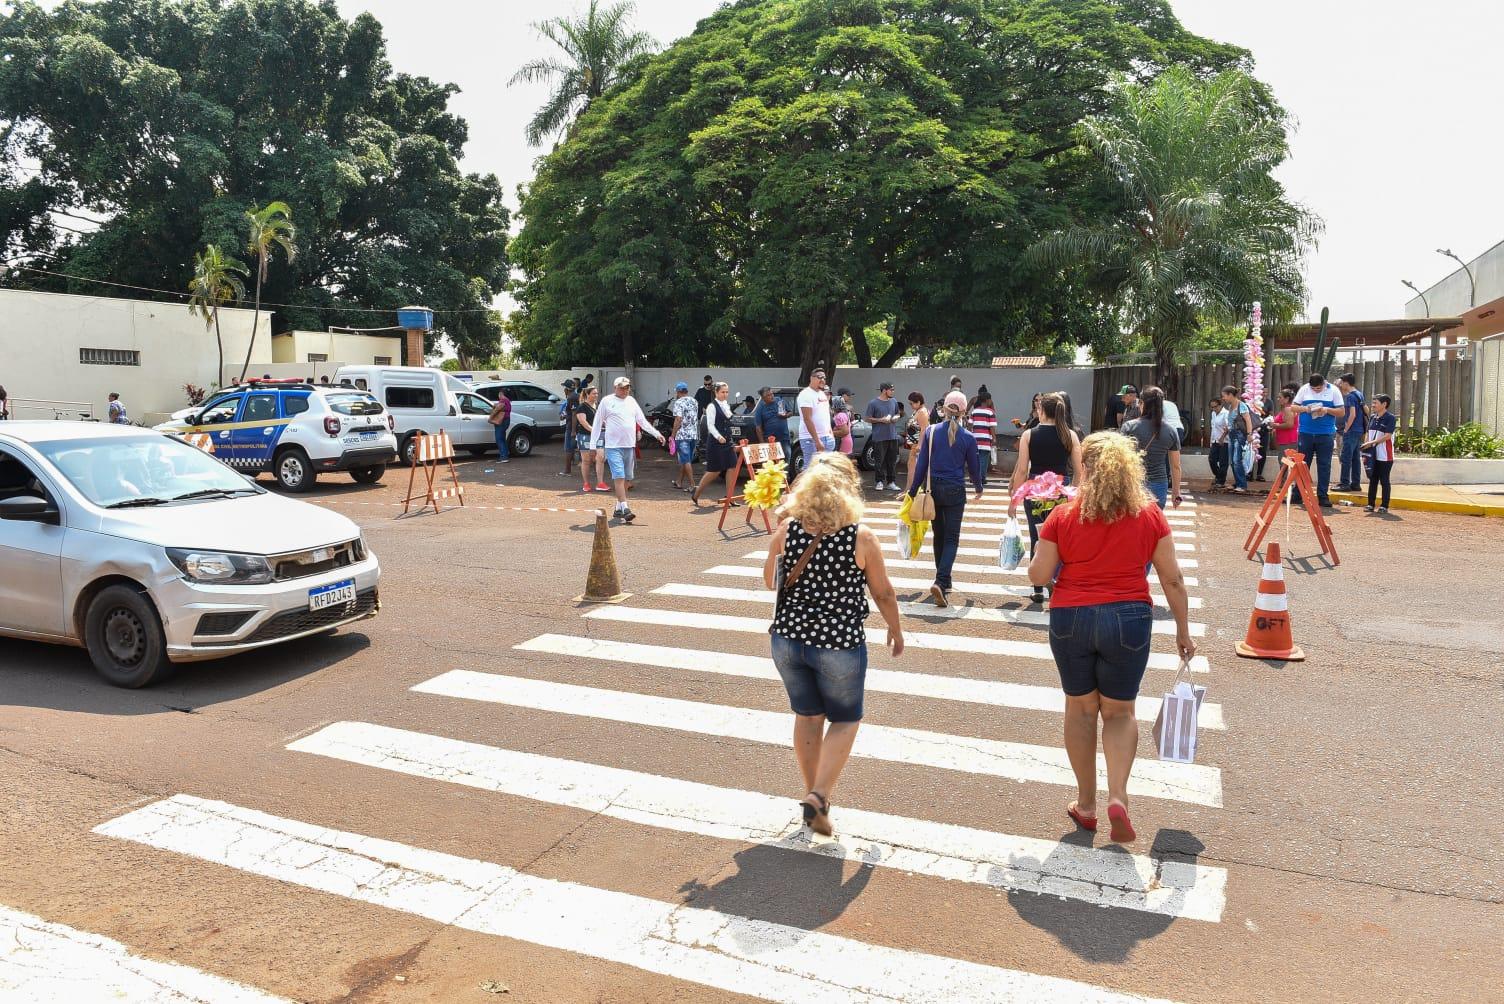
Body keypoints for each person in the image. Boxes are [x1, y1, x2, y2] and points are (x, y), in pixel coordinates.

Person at [1028, 432, 1196, 843]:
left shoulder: (1063, 516)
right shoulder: (1150, 514)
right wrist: (1183, 630)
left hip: (1070, 618)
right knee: (1120, 713)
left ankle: (1086, 804)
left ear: (1086, 467)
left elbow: (1037, 576)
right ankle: (1118, 796)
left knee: (1081, 710)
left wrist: (1041, 542)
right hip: (1129, 617)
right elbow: (1171, 578)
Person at [763, 452, 904, 836]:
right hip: (838, 643)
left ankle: (814, 795)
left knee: (807, 716)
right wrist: (895, 629)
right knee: (845, 718)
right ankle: (820, 796)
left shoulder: (788, 529)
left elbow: (769, 581)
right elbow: (884, 593)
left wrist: (778, 539)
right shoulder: (860, 536)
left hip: (789, 640)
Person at [908, 390, 985, 607]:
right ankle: (941, 581)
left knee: (939, 535)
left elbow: (922, 464)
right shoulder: (968, 437)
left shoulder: (931, 432)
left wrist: (912, 491)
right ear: (963, 412)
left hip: (933, 489)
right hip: (955, 491)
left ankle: (944, 579)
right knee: (951, 538)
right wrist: (979, 487)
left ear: (943, 409)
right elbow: (974, 466)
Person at [1007, 392, 1083, 604]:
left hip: (1034, 490)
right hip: (1060, 489)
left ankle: (1038, 587)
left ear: (1041, 410)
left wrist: (1013, 500)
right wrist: (1073, 492)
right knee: (1060, 538)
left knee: (1037, 537)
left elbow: (1022, 470)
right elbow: (1079, 470)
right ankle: (1057, 581)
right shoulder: (1070, 435)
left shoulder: (1029, 435)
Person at [590, 376, 665, 523]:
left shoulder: (631, 401)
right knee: (619, 476)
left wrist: (657, 434)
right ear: (615, 388)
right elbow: (598, 423)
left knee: (626, 479)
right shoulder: (607, 401)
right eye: (622, 387)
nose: (625, 390)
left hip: (629, 446)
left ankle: (618, 507)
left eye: (627, 387)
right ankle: (625, 508)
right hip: (613, 447)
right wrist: (593, 446)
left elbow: (642, 421)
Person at [1121, 386, 1183, 507]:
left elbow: (1120, 458)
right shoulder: (1171, 431)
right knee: (1154, 521)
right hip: (1159, 484)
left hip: (1133, 483)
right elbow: (1176, 466)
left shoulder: (1129, 427)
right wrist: (1176, 492)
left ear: (1142, 403)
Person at [1293, 374, 1344, 508]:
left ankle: (1322, 496)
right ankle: (1297, 494)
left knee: (1324, 466)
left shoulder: (1333, 390)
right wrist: (1306, 409)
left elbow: (1341, 412)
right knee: (1302, 465)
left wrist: (1326, 410)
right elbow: (1293, 407)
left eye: (1318, 388)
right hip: (1306, 433)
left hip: (1325, 434)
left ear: (1324, 384)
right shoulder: (1304, 389)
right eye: (1313, 388)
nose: (1315, 390)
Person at [692, 381, 736, 506]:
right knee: (714, 471)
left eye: (727, 392)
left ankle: (730, 497)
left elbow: (728, 418)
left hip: (728, 440)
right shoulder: (712, 406)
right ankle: (696, 493)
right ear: (716, 392)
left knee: (732, 467)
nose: (725, 394)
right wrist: (718, 436)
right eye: (722, 392)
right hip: (716, 442)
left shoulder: (726, 405)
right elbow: (710, 425)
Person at [1362, 393, 1396, 513]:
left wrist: (1372, 443)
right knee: (1373, 479)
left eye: (1376, 403)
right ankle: (1370, 504)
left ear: (1384, 404)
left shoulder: (1390, 418)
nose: (1373, 405)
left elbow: (1387, 436)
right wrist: (1366, 445)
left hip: (1385, 455)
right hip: (1372, 454)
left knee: (1384, 480)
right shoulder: (1372, 417)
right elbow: (1367, 433)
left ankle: (1384, 505)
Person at [864, 382, 902, 491]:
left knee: (892, 460)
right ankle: (879, 481)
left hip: (892, 436)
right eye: (891, 390)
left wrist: (896, 417)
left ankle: (891, 482)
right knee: (879, 461)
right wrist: (880, 420)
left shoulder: (894, 401)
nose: (893, 392)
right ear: (885, 390)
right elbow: (867, 418)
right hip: (879, 436)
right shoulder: (873, 403)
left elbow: (898, 414)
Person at [796, 368, 835, 467]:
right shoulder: (805, 395)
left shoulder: (822, 394)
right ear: (811, 378)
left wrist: (830, 433)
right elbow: (807, 419)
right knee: (810, 469)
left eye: (824, 378)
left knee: (825, 469)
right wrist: (817, 440)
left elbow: (825, 416)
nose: (822, 380)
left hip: (827, 438)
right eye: (819, 377)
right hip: (811, 439)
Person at [1220, 385, 1254, 494]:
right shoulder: (1231, 407)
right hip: (1232, 434)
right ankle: (1238, 482)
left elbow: (1248, 420)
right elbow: (1231, 423)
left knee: (1236, 460)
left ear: (1230, 395)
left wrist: (1249, 434)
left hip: (1239, 435)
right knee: (1232, 461)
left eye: (1224, 396)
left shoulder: (1241, 405)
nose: (1223, 398)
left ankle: (1242, 484)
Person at [1336, 372, 1367, 492]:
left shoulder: (1350, 397)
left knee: (1346, 457)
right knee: (1355, 458)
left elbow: (1352, 414)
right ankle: (1355, 483)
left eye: (1342, 383)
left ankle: (1344, 483)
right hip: (1359, 430)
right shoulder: (1359, 394)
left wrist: (1346, 429)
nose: (1341, 385)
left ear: (1346, 383)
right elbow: (1366, 410)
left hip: (1351, 430)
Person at [668, 381, 699, 491]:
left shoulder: (678, 402)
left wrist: (673, 435)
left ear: (678, 392)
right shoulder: (694, 401)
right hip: (693, 434)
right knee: (686, 459)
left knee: (685, 460)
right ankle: (679, 482)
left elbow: (678, 419)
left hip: (682, 435)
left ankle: (692, 485)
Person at [752, 386, 792, 467]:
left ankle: (784, 478)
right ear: (763, 398)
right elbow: (758, 427)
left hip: (784, 437)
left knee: (786, 458)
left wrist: (785, 416)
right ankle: (773, 479)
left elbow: (790, 412)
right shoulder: (760, 408)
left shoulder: (779, 401)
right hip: (770, 440)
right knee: (771, 463)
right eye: (768, 395)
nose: (772, 396)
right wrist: (762, 443)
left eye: (772, 394)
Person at [576, 386, 603, 491]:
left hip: (598, 436)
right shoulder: (582, 407)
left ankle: (600, 483)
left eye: (597, 393)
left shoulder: (599, 405)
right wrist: (594, 431)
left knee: (600, 457)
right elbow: (583, 422)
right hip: (585, 436)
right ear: (587, 394)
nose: (596, 395)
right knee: (586, 460)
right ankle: (586, 484)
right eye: (593, 393)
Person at [903, 391, 929, 489]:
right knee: (911, 467)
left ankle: (910, 490)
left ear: (918, 402)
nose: (911, 405)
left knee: (913, 468)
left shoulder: (922, 412)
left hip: (917, 444)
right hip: (914, 444)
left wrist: (920, 445)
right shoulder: (918, 411)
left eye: (912, 403)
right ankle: (908, 489)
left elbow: (924, 429)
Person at [969, 389, 997, 475]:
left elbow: (970, 425)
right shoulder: (990, 412)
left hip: (975, 439)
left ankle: (973, 477)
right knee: (983, 459)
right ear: (988, 400)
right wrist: (994, 438)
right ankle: (981, 478)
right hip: (985, 440)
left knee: (975, 459)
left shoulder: (974, 411)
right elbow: (992, 427)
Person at [1207, 397, 1229, 491]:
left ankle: (1221, 481)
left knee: (1223, 462)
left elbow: (1228, 427)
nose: (1214, 409)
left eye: (1215, 407)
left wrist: (1222, 438)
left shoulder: (1226, 414)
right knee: (1212, 459)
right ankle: (1218, 476)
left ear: (1220, 405)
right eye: (1212, 407)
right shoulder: (1213, 414)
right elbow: (1213, 428)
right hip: (1215, 440)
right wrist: (1211, 440)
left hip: (1225, 441)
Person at [560, 379, 581, 478]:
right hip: (575, 425)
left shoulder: (571, 398)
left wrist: (573, 431)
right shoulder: (576, 396)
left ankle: (567, 470)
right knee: (574, 447)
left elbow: (574, 414)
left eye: (564, 388)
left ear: (567, 389)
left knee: (568, 448)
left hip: (571, 427)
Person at [486, 390, 512, 464]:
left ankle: (503, 457)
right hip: (506, 420)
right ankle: (505, 455)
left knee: (499, 439)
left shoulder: (503, 400)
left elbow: (498, 409)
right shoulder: (507, 401)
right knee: (503, 439)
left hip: (501, 421)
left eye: (499, 394)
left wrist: (491, 417)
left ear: (501, 394)